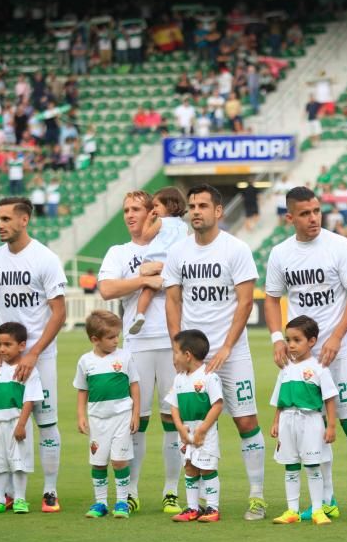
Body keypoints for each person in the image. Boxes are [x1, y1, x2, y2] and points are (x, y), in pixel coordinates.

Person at [264, 186, 347, 523]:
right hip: (305, 358)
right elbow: (271, 297)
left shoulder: (339, 246)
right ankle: (324, 500)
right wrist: (276, 339)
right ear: (290, 217)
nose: (314, 218)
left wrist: (337, 336)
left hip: (341, 353)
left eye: (316, 211)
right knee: (313, 424)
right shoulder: (281, 254)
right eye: (305, 213)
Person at [164, 184, 267, 520]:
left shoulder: (235, 249)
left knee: (246, 420)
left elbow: (246, 301)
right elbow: (173, 300)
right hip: (193, 359)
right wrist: (177, 348)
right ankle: (198, 502)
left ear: (218, 211)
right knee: (194, 422)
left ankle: (256, 495)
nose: (195, 211)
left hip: (231, 353)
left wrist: (226, 347)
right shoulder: (179, 252)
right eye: (191, 206)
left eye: (203, 205)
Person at [0, 197, 67, 513]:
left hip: (40, 357)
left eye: (6, 219)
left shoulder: (45, 258)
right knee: (6, 423)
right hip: (5, 359)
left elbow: (59, 312)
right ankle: (11, 493)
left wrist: (34, 353)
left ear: (24, 220)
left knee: (46, 421)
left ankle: (50, 491)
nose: (0, 225)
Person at [97, 191, 177, 513]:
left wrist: (158, 277)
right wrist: (147, 280)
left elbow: (180, 280)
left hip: (173, 341)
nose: (130, 215)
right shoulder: (119, 251)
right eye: (126, 210)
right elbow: (107, 289)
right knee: (136, 422)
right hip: (136, 344)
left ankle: (171, 490)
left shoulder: (174, 245)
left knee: (173, 419)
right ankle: (130, 491)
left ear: (151, 213)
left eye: (136, 209)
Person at [269, 316, 338, 525]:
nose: (291, 345)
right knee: (290, 465)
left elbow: (329, 398)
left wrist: (332, 426)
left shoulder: (319, 368)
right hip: (288, 421)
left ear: (312, 341)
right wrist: (276, 421)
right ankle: (292, 510)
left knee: (312, 465)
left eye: (297, 340)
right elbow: (280, 399)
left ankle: (318, 509)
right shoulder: (285, 369)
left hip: (311, 421)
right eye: (288, 340)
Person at [74, 310, 140, 519]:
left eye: (117, 336)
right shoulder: (85, 361)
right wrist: (81, 415)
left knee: (119, 461)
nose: (115, 341)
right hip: (97, 420)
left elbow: (134, 386)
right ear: (95, 339)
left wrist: (135, 414)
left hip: (122, 417)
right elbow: (82, 390)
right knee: (98, 462)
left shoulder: (125, 356)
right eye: (110, 337)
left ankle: (122, 502)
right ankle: (100, 503)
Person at [0, 322, 43, 514]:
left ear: (21, 346)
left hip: (17, 424)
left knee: (19, 462)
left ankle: (20, 499)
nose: (2, 349)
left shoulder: (27, 371)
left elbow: (29, 400)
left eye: (7, 344)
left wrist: (22, 424)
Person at [166, 329, 224, 523]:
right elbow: (173, 406)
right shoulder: (179, 379)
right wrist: (180, 428)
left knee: (207, 468)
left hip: (204, 432)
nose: (173, 357)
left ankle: (212, 508)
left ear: (187, 355)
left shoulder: (209, 377)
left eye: (175, 352)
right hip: (185, 432)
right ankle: (192, 508)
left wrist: (203, 429)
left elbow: (217, 405)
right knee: (189, 467)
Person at [127, 187, 188, 335]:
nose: (154, 209)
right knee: (175, 296)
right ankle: (179, 321)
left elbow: (146, 236)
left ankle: (139, 314)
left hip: (154, 261)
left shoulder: (161, 221)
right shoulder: (184, 226)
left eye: (156, 206)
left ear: (168, 205)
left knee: (148, 290)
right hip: (173, 265)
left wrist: (149, 220)